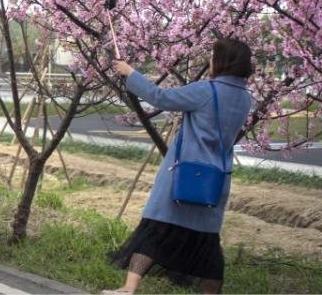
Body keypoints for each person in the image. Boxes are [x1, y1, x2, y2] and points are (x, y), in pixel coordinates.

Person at [105, 38, 254, 295]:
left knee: (155, 228)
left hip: (185, 173)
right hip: (215, 179)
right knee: (206, 245)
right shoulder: (245, 98)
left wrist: (130, 73)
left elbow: (160, 97)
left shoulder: (207, 90)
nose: (209, 60)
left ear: (221, 61)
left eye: (212, 56)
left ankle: (129, 288)